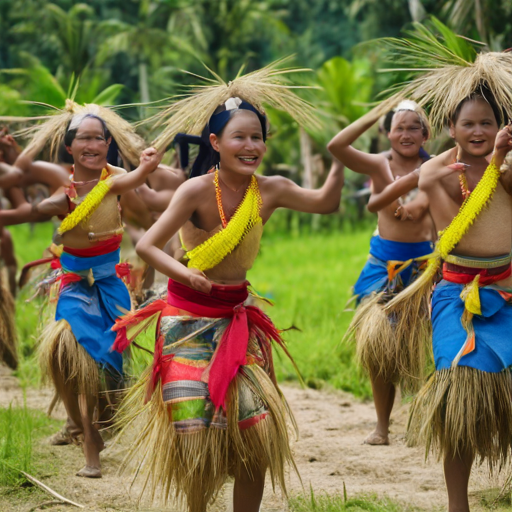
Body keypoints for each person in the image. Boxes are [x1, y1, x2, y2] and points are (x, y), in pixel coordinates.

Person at [111, 63, 344, 512]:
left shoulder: (270, 190)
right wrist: (185, 275)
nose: (251, 145)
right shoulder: (196, 191)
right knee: (196, 440)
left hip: (237, 322)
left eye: (257, 137)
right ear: (215, 143)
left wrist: (340, 157)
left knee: (257, 437)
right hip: (186, 325)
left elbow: (326, 203)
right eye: (240, 137)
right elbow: (151, 247)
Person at [383, 48, 512, 512]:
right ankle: (459, 504)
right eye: (468, 124)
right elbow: (384, 197)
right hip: (458, 295)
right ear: (451, 130)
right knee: (458, 397)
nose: (478, 132)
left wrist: (500, 159)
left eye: (487, 123)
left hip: (508, 291)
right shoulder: (439, 170)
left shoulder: (508, 167)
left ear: (501, 127)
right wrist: (425, 173)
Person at [13, 101, 161, 478]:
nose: (93, 143)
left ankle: (107, 415)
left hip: (112, 285)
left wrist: (146, 164)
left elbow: (133, 180)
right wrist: (42, 209)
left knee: (113, 362)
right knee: (73, 357)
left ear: (109, 145)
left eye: (100, 138)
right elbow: (42, 207)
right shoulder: (65, 192)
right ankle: (89, 445)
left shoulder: (115, 180)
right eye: (84, 138)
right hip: (75, 286)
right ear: (70, 147)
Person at [327, 100, 434, 445]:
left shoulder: (435, 167)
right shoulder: (378, 164)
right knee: (379, 348)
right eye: (398, 127)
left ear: (425, 133)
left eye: (412, 127)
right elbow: (337, 146)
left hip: (423, 268)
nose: (405, 134)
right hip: (381, 267)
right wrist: (375, 112)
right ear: (387, 132)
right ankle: (382, 426)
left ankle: (417, 419)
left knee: (415, 345)